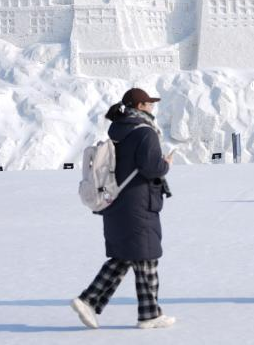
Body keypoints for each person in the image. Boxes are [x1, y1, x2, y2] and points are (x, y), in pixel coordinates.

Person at [71, 88, 175, 330]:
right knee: (145, 257)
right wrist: (165, 164)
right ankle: (147, 315)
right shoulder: (145, 132)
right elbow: (151, 168)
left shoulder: (118, 129)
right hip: (138, 202)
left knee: (126, 256)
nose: (152, 107)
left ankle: (91, 301)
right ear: (140, 105)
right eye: (149, 103)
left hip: (116, 201)